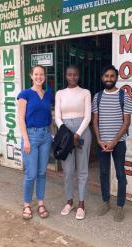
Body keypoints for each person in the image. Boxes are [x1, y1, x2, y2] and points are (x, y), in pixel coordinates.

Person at [92, 65, 132, 222]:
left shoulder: (124, 96)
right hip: (102, 143)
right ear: (102, 78)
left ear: (116, 78)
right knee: (103, 173)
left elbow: (127, 122)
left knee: (120, 174)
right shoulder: (98, 97)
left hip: (119, 143)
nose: (108, 79)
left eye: (111, 76)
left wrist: (114, 142)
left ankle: (120, 206)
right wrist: (99, 140)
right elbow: (95, 121)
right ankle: (105, 202)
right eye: (106, 76)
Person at [17, 65, 54, 220]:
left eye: (42, 74)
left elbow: (50, 116)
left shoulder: (48, 95)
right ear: (31, 75)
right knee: (31, 174)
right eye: (36, 74)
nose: (39, 77)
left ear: (44, 77)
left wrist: (52, 134)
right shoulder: (25, 94)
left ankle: (40, 202)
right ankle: (26, 204)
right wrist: (26, 139)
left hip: (45, 136)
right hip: (31, 137)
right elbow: (20, 118)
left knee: (42, 173)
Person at [55, 65, 92, 220]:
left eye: (75, 74)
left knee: (82, 170)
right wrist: (67, 134)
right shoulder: (60, 93)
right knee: (68, 171)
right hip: (65, 133)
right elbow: (57, 116)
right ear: (66, 76)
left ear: (78, 75)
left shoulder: (85, 92)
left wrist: (77, 134)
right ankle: (69, 201)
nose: (72, 77)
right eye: (69, 74)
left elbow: (88, 116)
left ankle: (81, 204)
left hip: (82, 131)